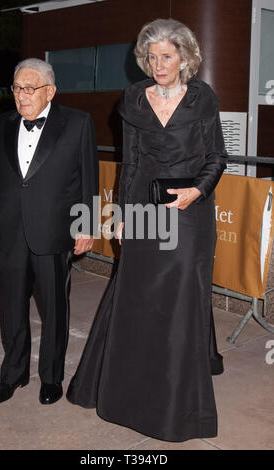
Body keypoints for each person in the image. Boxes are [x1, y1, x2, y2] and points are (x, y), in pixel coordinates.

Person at [67, 18, 227, 442]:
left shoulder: (201, 99)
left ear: (185, 58)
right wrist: (121, 213)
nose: (158, 64)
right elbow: (132, 162)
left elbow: (217, 157)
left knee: (178, 297)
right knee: (136, 294)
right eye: (152, 57)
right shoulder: (135, 97)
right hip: (142, 209)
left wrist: (196, 191)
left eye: (167, 56)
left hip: (189, 213)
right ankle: (124, 390)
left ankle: (175, 402)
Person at [0, 58, 98, 405]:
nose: (21, 96)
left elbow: (88, 178)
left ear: (50, 91)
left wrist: (86, 225)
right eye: (17, 88)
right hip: (9, 232)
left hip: (53, 231)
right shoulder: (1, 123)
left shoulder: (77, 123)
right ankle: (13, 374)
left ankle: (51, 376)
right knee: (11, 308)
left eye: (29, 88)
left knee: (55, 309)